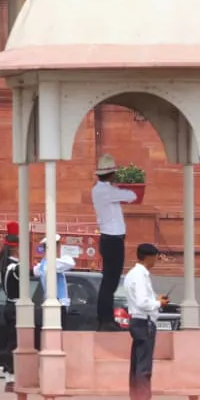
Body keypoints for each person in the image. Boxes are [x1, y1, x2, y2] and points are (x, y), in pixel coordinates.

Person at [92, 153, 138, 330]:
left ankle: (105, 317)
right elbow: (132, 195)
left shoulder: (100, 190)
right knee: (110, 282)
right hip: (113, 239)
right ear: (111, 174)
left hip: (109, 239)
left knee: (109, 281)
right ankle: (105, 319)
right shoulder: (106, 191)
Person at [125, 243, 165, 400]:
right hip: (144, 322)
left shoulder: (132, 274)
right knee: (144, 366)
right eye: (155, 257)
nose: (155, 261)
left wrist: (155, 299)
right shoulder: (140, 275)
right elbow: (142, 302)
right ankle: (142, 397)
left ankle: (136, 395)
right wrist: (158, 303)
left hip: (137, 321)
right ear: (148, 257)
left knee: (137, 364)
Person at [33, 232, 75, 349]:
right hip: (57, 303)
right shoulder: (53, 263)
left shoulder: (42, 265)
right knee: (58, 336)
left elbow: (35, 270)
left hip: (49, 303)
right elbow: (70, 263)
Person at [0, 231, 22, 392]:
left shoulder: (7, 264)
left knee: (11, 341)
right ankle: (11, 376)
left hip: (9, 305)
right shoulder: (16, 267)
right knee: (14, 343)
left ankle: (10, 375)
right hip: (15, 307)